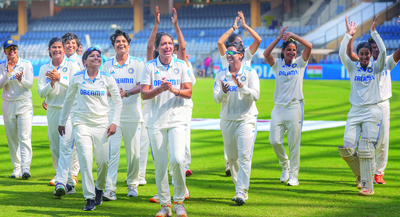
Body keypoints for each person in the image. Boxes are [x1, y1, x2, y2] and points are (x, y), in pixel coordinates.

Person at [141, 7, 192, 217]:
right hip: (156, 121)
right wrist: (158, 89)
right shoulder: (149, 67)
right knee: (161, 165)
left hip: (178, 119)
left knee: (178, 160)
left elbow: (188, 92)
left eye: (170, 44)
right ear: (158, 48)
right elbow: (144, 94)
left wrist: (173, 89)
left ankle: (179, 201)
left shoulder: (181, 65)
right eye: (164, 44)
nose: (168, 47)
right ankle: (165, 205)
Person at [58, 47, 122, 210]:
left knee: (103, 162)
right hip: (81, 124)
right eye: (92, 56)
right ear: (84, 61)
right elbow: (68, 100)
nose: (96, 58)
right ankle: (89, 198)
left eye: (98, 56)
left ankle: (99, 189)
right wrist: (62, 121)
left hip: (102, 125)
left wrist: (114, 122)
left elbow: (117, 100)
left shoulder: (107, 78)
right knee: (85, 160)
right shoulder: (77, 78)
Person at [346, 15, 400, 185]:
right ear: (369, 51)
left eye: (377, 47)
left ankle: (378, 172)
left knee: (383, 140)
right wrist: (350, 35)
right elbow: (349, 54)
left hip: (382, 105)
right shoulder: (363, 62)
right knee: (363, 142)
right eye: (373, 47)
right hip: (364, 106)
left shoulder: (386, 62)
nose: (376, 50)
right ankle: (362, 173)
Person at [337, 15, 386, 196]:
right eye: (362, 54)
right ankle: (362, 173)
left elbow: (383, 50)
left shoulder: (377, 66)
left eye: (367, 54)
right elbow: (343, 53)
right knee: (347, 149)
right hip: (355, 111)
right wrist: (348, 35)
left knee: (366, 148)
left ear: (370, 55)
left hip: (372, 111)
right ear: (359, 55)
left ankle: (367, 186)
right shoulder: (353, 67)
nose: (365, 56)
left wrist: (374, 32)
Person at [263, 26, 312, 186]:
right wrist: (278, 38)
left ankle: (294, 176)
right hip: (278, 108)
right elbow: (265, 53)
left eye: (294, 50)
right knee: (274, 141)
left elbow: (309, 46)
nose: (292, 52)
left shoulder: (300, 64)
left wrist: (294, 36)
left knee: (293, 144)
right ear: (283, 51)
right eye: (289, 50)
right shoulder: (277, 64)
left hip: (294, 108)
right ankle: (285, 165)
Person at [213, 41, 259, 205]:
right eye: (228, 53)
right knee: (232, 158)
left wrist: (241, 87)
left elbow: (256, 95)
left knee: (244, 157)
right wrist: (224, 93)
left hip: (246, 119)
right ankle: (238, 186)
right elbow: (216, 99)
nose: (229, 55)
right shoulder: (220, 75)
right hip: (227, 120)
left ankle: (241, 191)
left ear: (241, 55)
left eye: (233, 53)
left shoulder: (250, 72)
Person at [101, 29, 144, 201]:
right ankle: (110, 188)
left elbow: (142, 85)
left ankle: (132, 183)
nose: (121, 44)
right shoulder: (107, 65)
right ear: (113, 46)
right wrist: (111, 93)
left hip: (133, 115)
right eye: (118, 42)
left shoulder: (138, 63)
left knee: (134, 153)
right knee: (112, 153)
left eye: (124, 41)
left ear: (128, 44)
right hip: (113, 116)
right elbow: (102, 86)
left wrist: (126, 92)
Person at [217, 11, 261, 176]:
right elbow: (220, 41)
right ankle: (229, 163)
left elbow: (258, 40)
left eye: (241, 43)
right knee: (229, 136)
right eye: (238, 42)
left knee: (244, 144)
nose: (241, 44)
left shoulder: (247, 55)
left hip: (246, 99)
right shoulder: (226, 57)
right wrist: (233, 27)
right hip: (230, 99)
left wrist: (244, 26)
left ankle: (239, 173)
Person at [38, 37, 81, 193]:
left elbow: (76, 86)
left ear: (64, 49)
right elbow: (41, 92)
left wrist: (59, 79)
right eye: (53, 47)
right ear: (49, 50)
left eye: (59, 47)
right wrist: (51, 84)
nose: (56, 50)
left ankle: (63, 182)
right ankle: (65, 179)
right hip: (53, 109)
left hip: (69, 109)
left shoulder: (72, 65)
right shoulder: (44, 68)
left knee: (66, 145)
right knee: (55, 145)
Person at [0, 39, 34, 180]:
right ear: (5, 51)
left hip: (24, 103)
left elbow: (30, 84)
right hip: (8, 103)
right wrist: (8, 74)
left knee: (24, 136)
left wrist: (21, 80)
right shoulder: (2, 65)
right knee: (12, 137)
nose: (12, 51)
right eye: (9, 49)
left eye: (14, 48)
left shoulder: (25, 64)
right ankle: (16, 168)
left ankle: (26, 168)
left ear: (17, 50)